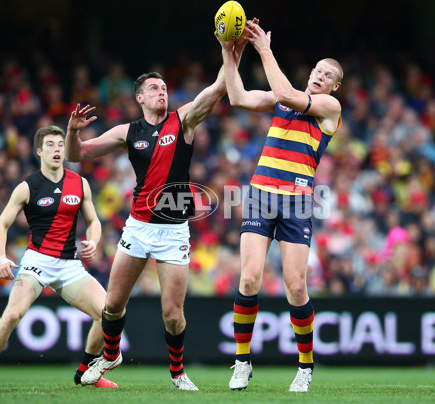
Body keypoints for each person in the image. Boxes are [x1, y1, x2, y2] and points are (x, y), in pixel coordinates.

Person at [64, 29, 251, 391]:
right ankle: (110, 355)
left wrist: (231, 51)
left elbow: (218, 88)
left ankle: (178, 373)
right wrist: (72, 132)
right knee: (113, 306)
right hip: (137, 227)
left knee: (173, 314)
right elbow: (77, 154)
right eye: (154, 88)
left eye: (164, 87)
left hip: (174, 230)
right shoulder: (127, 131)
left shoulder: (183, 120)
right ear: (139, 98)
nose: (161, 91)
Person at [218, 20, 343, 392]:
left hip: (298, 202)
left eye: (328, 75)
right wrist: (229, 55)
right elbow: (238, 97)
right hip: (260, 194)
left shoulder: (328, 107)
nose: (320, 75)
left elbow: (288, 93)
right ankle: (241, 362)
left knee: (296, 287)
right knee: (249, 278)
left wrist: (264, 50)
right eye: (318, 70)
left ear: (336, 86)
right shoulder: (280, 98)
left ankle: (305, 367)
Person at [0, 126, 117, 389]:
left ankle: (85, 372)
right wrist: (0, 258)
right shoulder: (27, 187)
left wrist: (93, 242)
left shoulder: (79, 182)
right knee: (13, 314)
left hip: (69, 264)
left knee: (107, 314)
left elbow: (94, 221)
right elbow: (1, 225)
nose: (57, 149)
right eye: (50, 145)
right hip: (36, 261)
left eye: (61, 144)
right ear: (39, 151)